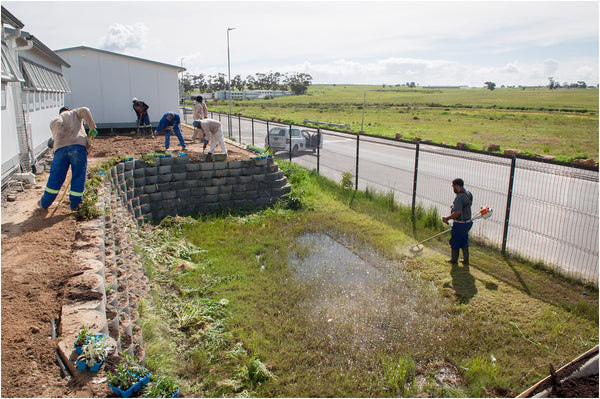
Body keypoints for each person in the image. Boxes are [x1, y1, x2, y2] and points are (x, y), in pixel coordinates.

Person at [38, 106, 98, 211]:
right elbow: (85, 110)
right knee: (78, 175)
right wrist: (92, 128)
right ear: (68, 110)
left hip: (60, 150)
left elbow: (54, 141)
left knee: (55, 178)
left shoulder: (54, 120)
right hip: (77, 148)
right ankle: (75, 204)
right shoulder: (74, 113)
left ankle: (44, 203)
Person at [442, 178, 473, 265]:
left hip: (460, 224)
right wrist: (455, 207)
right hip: (468, 222)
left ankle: (454, 260)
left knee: (455, 240)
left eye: (453, 186)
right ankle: (466, 260)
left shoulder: (459, 197)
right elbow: (465, 206)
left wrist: (447, 218)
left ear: (457, 186)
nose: (453, 189)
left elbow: (458, 212)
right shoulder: (468, 193)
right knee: (464, 240)